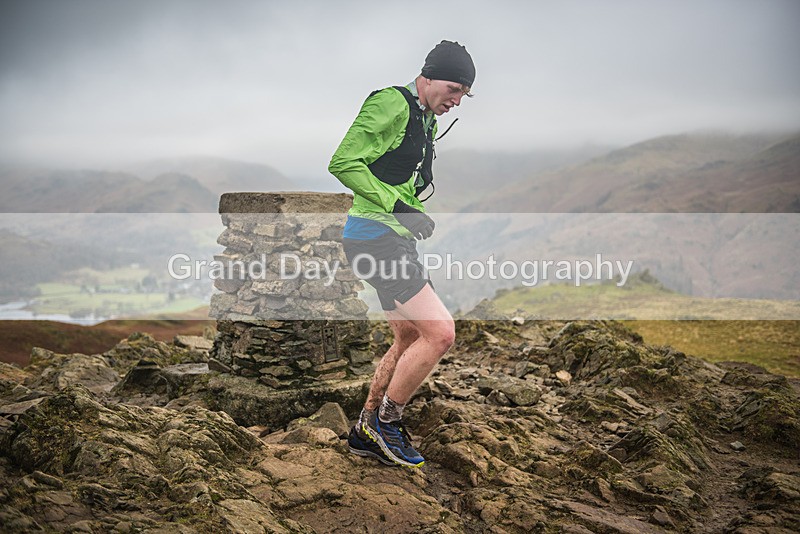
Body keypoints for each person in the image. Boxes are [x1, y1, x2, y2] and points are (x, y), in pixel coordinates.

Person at [328, 40, 475, 468]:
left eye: (464, 94)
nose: (456, 100)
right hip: (373, 238)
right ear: (427, 78)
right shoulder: (391, 103)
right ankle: (386, 424)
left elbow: (397, 176)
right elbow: (343, 162)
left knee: (409, 335)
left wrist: (410, 214)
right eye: (453, 88)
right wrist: (397, 207)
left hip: (392, 237)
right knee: (441, 333)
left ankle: (364, 430)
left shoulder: (424, 116)